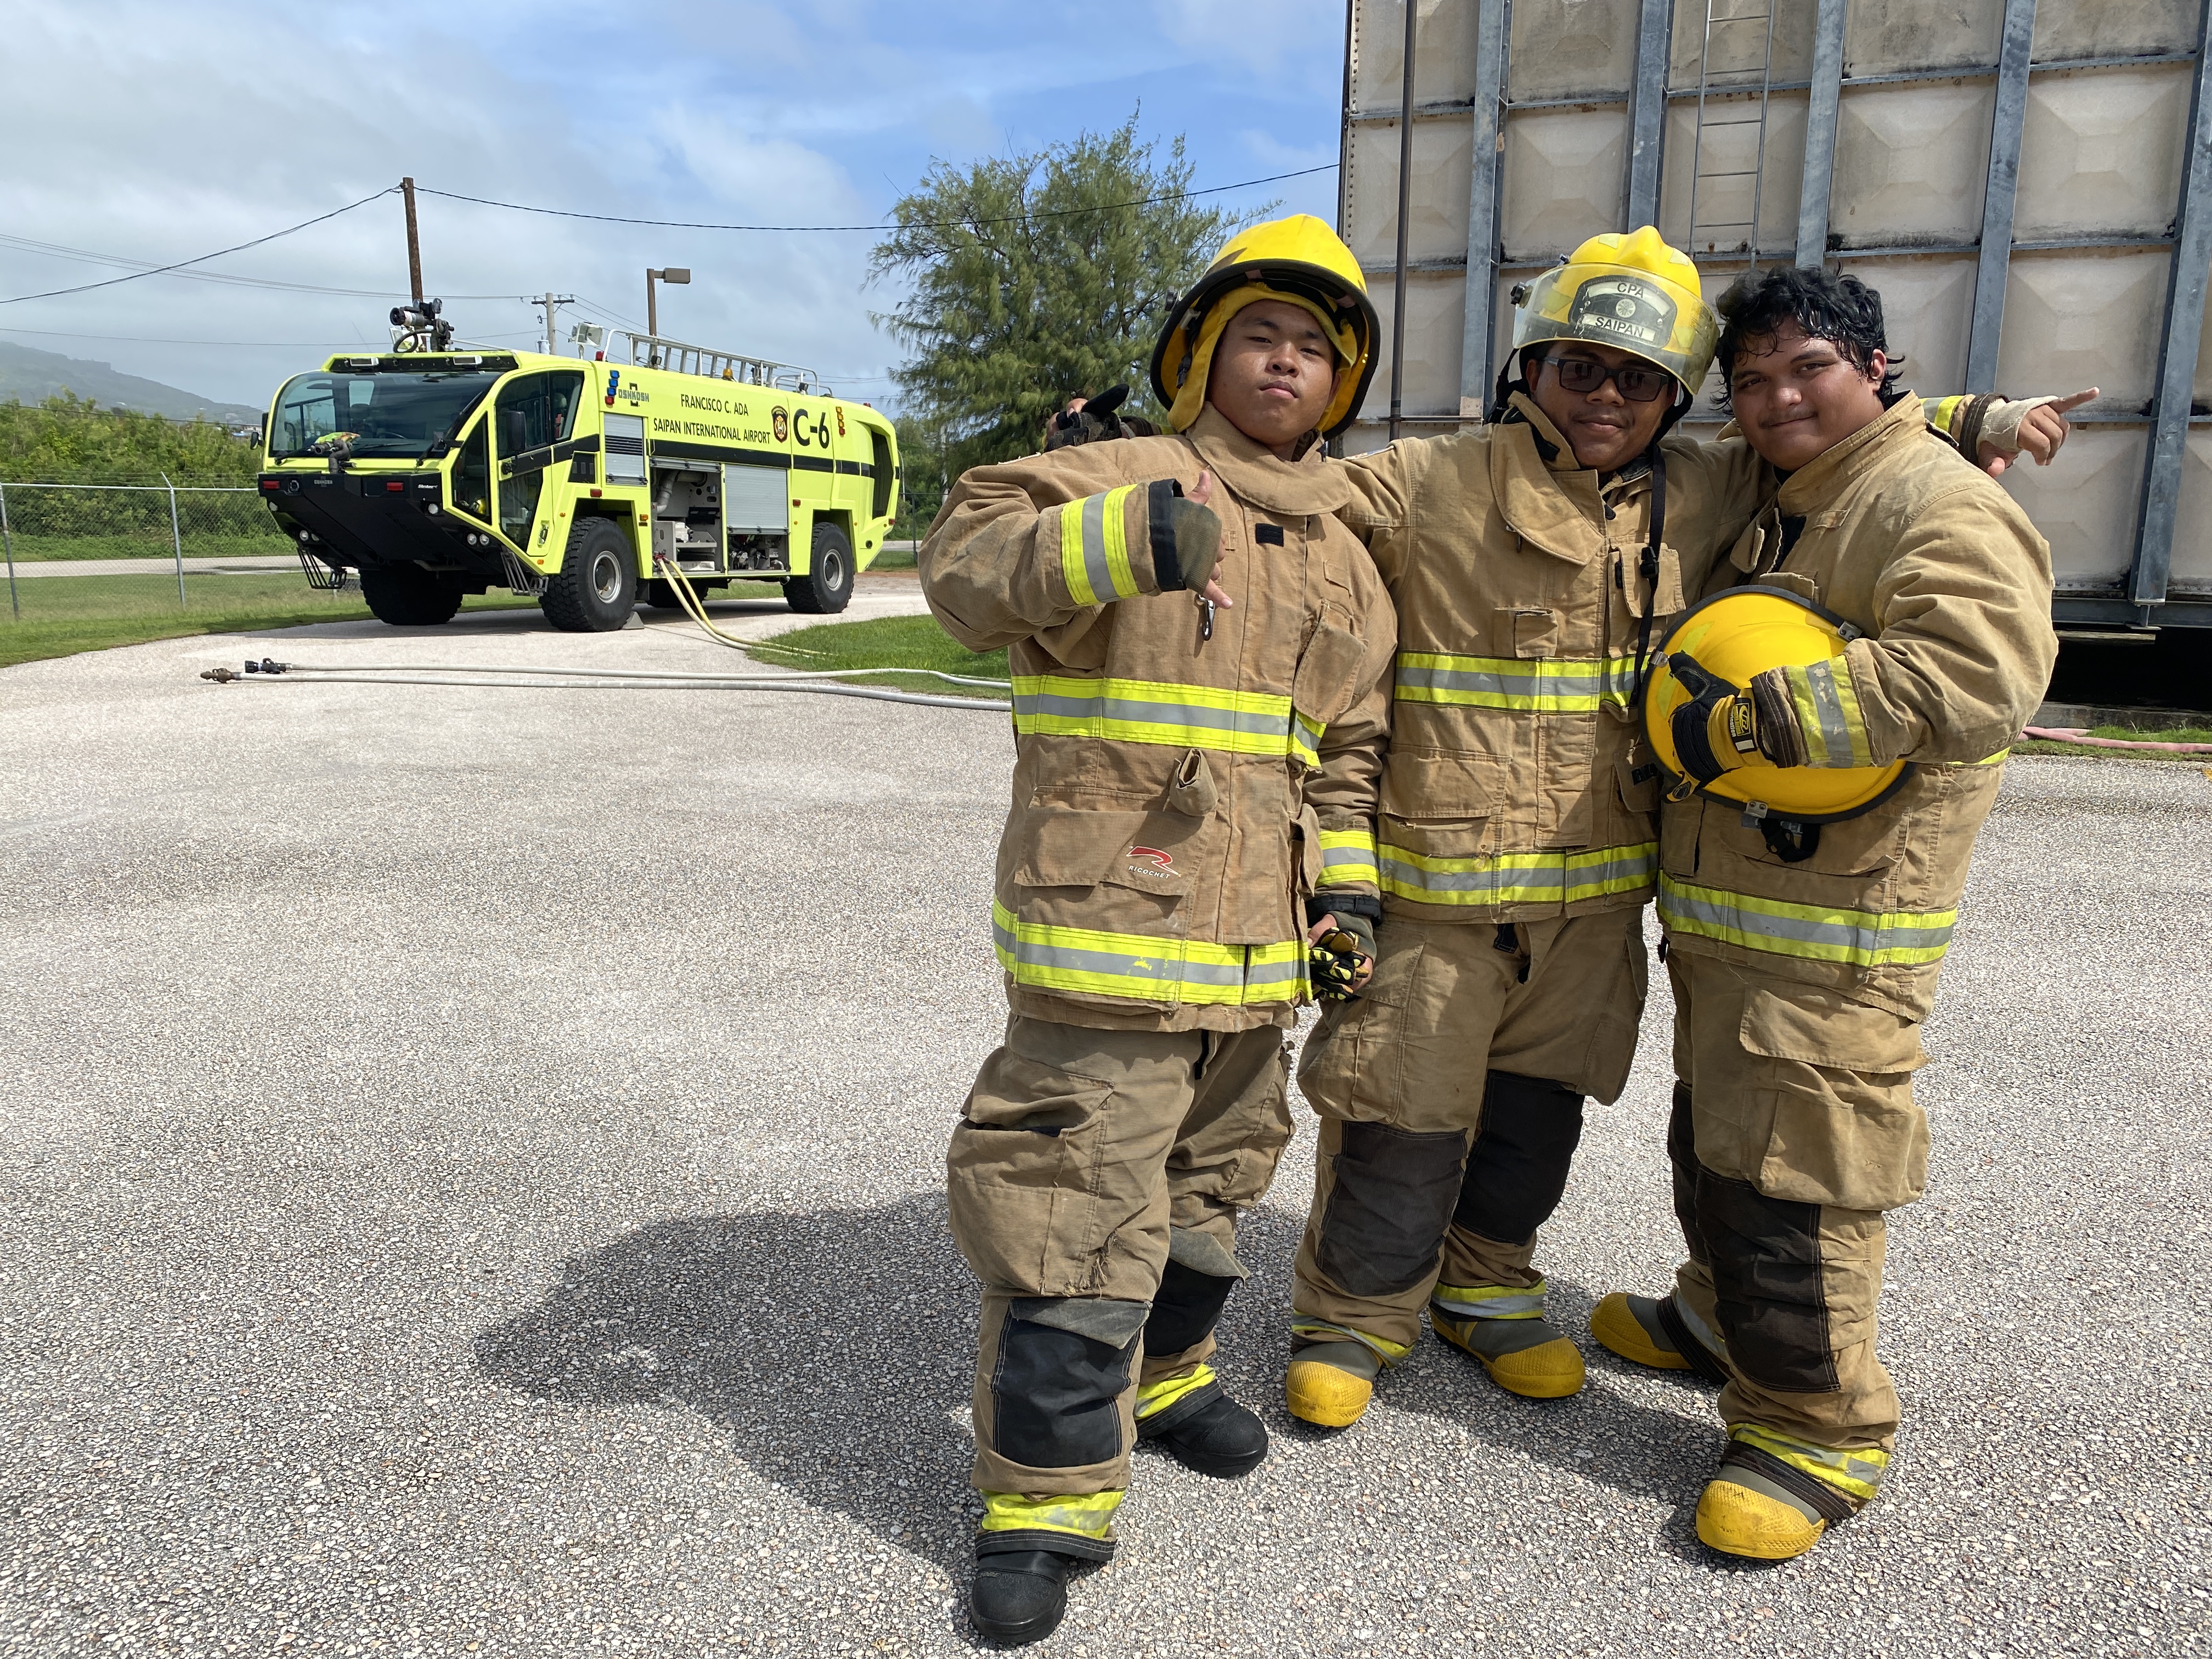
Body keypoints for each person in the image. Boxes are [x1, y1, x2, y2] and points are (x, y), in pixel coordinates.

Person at [1278, 228, 2082, 1431]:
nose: (1609, 396)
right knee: (1398, 1113)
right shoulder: (1432, 479)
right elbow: (1290, 498)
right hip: (1440, 886)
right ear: (1531, 368)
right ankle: (1355, 1315)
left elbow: (1849, 440)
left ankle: (1487, 1290)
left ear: (1672, 397)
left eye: (1642, 378)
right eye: (1583, 367)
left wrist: (1969, 419)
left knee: (1534, 1125)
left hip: (1597, 905)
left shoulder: (1709, 483)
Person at [919, 214, 1397, 1646]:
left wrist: (1350, 895)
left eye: (1316, 348)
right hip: (1106, 946)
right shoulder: (1112, 476)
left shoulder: (1348, 560)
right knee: (1072, 1221)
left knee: (1210, 1195)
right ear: (1203, 350)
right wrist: (1114, 541)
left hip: (1258, 967)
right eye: (1264, 333)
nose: (1288, 363)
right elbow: (960, 572)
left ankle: (1173, 1379)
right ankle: (1041, 1505)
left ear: (1342, 384)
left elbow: (1348, 757)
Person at [1590, 264, 2060, 1562]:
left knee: (1802, 1174)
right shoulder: (1792, 496)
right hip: (1735, 915)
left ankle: (1816, 1428)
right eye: (1751, 382)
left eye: (1809, 369)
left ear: (1877, 370)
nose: (1777, 398)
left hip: (1840, 926)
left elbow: (1976, 672)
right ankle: (1717, 1316)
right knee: (1718, 1138)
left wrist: (1750, 720)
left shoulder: (1928, 504)